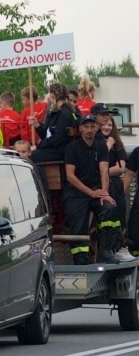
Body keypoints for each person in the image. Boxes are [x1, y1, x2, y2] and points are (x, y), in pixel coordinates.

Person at [62, 114, 118, 264]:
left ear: (97, 128)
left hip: (95, 190)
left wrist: (104, 193)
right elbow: (70, 176)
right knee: (78, 222)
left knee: (109, 208)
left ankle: (105, 251)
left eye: (92, 127)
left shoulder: (101, 146)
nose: (89, 130)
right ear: (80, 129)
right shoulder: (72, 148)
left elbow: (104, 171)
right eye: (86, 127)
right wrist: (91, 192)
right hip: (75, 192)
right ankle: (80, 258)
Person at [94, 108, 133, 261]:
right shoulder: (96, 143)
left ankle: (119, 245)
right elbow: (95, 164)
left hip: (114, 184)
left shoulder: (117, 143)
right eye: (105, 124)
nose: (107, 127)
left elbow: (121, 167)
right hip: (98, 185)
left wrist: (103, 172)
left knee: (120, 213)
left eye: (110, 125)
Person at [31, 82, 78, 165]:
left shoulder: (65, 113)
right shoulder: (56, 112)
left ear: (52, 95)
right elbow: (48, 134)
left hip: (62, 151)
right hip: (55, 148)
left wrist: (39, 146)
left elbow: (57, 138)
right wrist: (37, 125)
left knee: (33, 155)